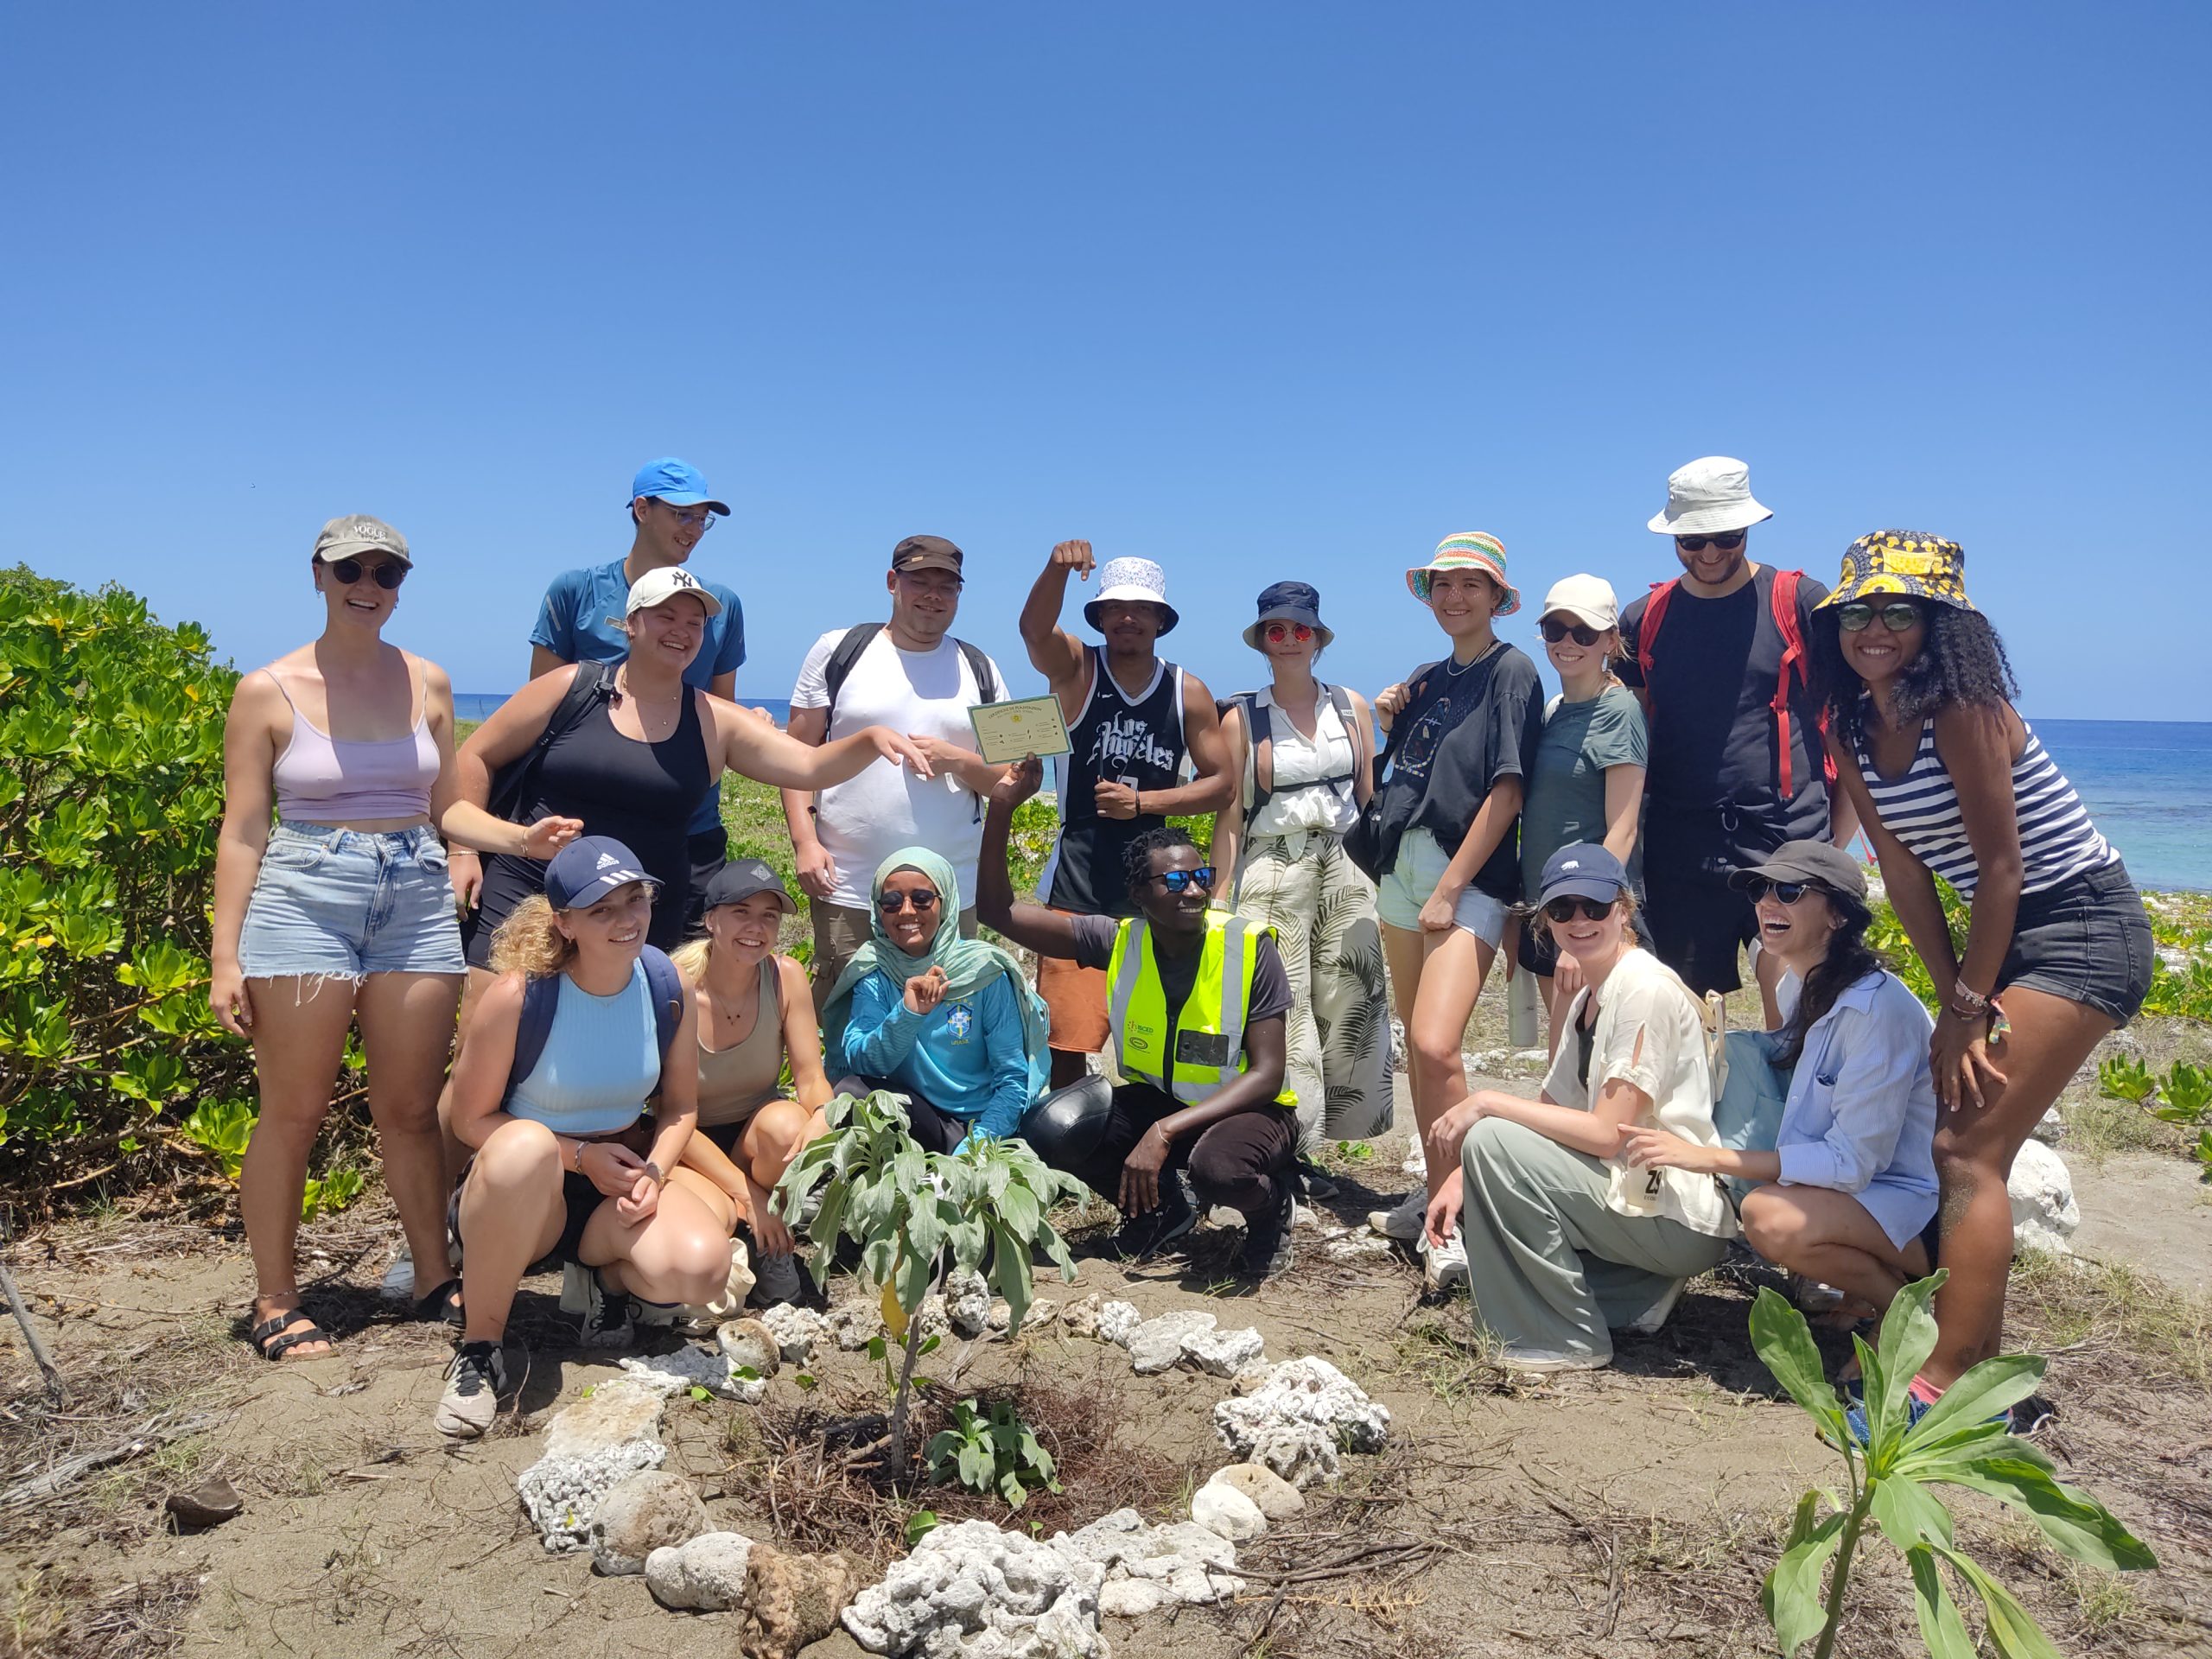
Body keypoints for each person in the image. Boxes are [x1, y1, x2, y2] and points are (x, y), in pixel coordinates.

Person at [1811, 530, 2152, 1422]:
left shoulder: (1963, 707)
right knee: (1961, 1146)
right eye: (1856, 611)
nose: (1872, 628)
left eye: (1897, 610)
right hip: (2008, 939)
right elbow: (1902, 872)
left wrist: (1968, 1004)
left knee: (1967, 1149)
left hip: (2083, 926)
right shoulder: (1848, 722)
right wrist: (1952, 995)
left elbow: (2001, 866)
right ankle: (1989, 1387)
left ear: (1939, 625)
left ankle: (1953, 1385)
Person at [210, 515, 534, 1361]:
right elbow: (243, 831)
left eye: (387, 572)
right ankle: (275, 1300)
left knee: (407, 1113)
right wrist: (225, 957)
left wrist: (512, 840)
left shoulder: (427, 682)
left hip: (414, 904)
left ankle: (433, 1275)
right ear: (319, 574)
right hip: (303, 901)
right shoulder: (266, 691)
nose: (370, 585)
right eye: (352, 568)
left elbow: (444, 811)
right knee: (294, 1110)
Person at [437, 838, 732, 1437]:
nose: (626, 920)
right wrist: (578, 1156)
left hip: (618, 1178)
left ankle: (603, 1280)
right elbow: (468, 1120)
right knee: (527, 1147)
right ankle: (479, 1349)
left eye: (635, 899)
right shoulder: (518, 996)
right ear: (564, 923)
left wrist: (653, 1174)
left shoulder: (664, 983)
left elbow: (679, 1108)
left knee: (704, 1269)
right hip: (526, 1189)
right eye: (601, 909)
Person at [981, 759, 1300, 1280]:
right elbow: (999, 913)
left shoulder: (1248, 947)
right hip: (1165, 1101)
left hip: (1250, 1112)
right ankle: (1160, 1213)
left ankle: (1271, 1214)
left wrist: (1163, 1131)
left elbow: (1266, 1075)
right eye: (1175, 880)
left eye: (1200, 876)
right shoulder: (1119, 940)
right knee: (1052, 1126)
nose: (1194, 890)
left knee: (1217, 1169)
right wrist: (1001, 809)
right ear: (1139, 896)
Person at [1423, 844, 1737, 1372]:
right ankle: (1635, 1295)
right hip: (1644, 1195)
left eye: (1594, 907)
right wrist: (1461, 1179)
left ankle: (1564, 1336)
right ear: (1545, 920)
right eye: (1563, 909)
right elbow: (1550, 1111)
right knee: (1493, 1150)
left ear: (1624, 909)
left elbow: (1606, 1133)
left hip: (1675, 1205)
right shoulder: (1595, 994)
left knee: (1492, 1141)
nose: (1580, 920)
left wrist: (1486, 1103)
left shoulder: (1642, 990)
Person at [1620, 841, 1937, 1327]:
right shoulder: (1800, 984)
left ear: (1838, 916)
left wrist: (1710, 1158)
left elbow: (1853, 1162)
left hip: (1917, 1208)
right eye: (1760, 889)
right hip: (1865, 1193)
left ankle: (1902, 1317)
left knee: (1769, 1217)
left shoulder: (1877, 1010)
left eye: (1789, 891)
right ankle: (1862, 1297)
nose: (1767, 903)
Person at [1362, 534, 1543, 1287]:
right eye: (1444, 585)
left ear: (1498, 599)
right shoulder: (1427, 678)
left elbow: (1508, 790)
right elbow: (1408, 772)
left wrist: (1449, 888)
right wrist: (1383, 721)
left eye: (1473, 586)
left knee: (1437, 1046)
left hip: (1461, 873)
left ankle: (1457, 1209)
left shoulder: (1513, 671)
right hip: (1401, 866)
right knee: (1419, 1042)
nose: (1456, 598)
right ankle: (1434, 1192)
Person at [463, 458, 746, 939]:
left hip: (683, 832)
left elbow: (724, 714)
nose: (695, 529)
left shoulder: (720, 604)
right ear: (641, 509)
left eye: (703, 518)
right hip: (571, 838)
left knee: (666, 986)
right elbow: (534, 728)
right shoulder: (576, 591)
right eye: (683, 514)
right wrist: (465, 847)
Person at [1618, 457, 1853, 1014]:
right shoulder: (1643, 617)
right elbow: (1623, 734)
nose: (1709, 554)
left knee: (1799, 1010)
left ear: (1748, 529)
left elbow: (1846, 726)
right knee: (1683, 1018)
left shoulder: (1801, 602)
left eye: (1726, 537)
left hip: (1787, 837)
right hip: (1681, 848)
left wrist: (1834, 847)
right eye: (1692, 540)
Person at [1019, 543, 1233, 1087]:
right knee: (1068, 1037)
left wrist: (1145, 804)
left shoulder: (1187, 690)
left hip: (1159, 884)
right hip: (1079, 879)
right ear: (1100, 616)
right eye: (1116, 607)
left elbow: (1224, 784)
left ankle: (1154, 1137)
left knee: (1162, 1028)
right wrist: (1056, 569)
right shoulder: (1078, 669)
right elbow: (1034, 632)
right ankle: (1070, 1148)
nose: (1129, 618)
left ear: (1162, 618)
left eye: (1142, 608)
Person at [783, 535, 1011, 993]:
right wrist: (805, 841)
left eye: (946, 586)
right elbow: (795, 757)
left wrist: (958, 761)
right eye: (919, 581)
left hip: (948, 892)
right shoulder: (839, 649)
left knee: (949, 1028)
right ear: (892, 582)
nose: (933, 595)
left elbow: (1006, 781)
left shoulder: (981, 668)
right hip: (848, 884)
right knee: (846, 1020)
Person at [1211, 582, 1391, 1156]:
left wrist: (1385, 881)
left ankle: (1346, 1136)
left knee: (1353, 1000)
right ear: (1262, 640)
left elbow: (1369, 800)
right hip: (1273, 865)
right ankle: (1291, 1145)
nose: (1289, 639)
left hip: (1344, 862)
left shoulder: (1351, 706)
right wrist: (1219, 896)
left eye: (1300, 629)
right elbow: (1231, 816)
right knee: (1280, 1013)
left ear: (1317, 638)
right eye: (1277, 629)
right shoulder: (1241, 717)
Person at [666, 859, 834, 1307]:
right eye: (741, 912)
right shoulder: (675, 988)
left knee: (787, 1123)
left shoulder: (785, 977)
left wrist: (821, 1114)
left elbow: (811, 1076)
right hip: (688, 1141)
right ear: (711, 920)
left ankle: (769, 1241)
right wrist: (749, 1194)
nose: (755, 927)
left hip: (755, 1138)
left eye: (769, 916)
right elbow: (671, 1115)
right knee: (715, 1225)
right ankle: (753, 1222)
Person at [819, 847, 1052, 1154]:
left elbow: (1012, 1079)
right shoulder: (874, 970)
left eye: (921, 899)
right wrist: (907, 1014)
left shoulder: (983, 972)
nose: (906, 911)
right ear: (877, 909)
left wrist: (974, 1149)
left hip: (979, 1123)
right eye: (891, 901)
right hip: (916, 1116)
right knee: (850, 1092)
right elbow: (864, 1062)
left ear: (946, 902)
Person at [1515, 575, 1647, 1046]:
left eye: (1585, 633)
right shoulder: (1554, 710)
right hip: (1551, 907)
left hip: (1587, 914)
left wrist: (1583, 923)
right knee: (1563, 1060)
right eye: (1556, 630)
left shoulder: (1617, 710)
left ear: (1611, 640)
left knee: (1590, 1064)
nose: (1568, 643)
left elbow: (1623, 830)